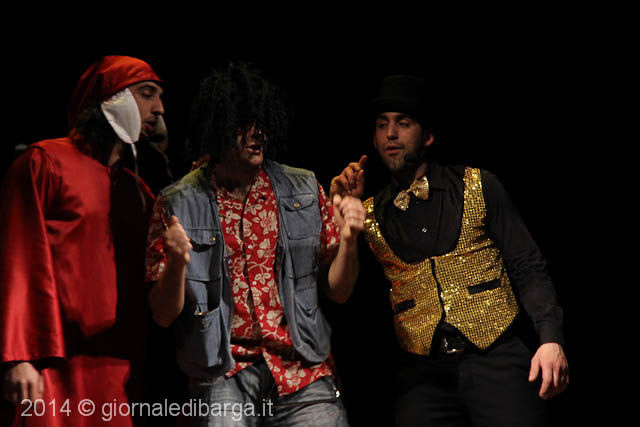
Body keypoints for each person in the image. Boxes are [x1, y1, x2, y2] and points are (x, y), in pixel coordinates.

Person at [330, 75, 569, 427]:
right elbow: (339, 293)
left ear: (427, 136)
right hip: (422, 375)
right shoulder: (367, 213)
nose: (390, 134)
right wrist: (345, 227)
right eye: (382, 125)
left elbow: (528, 265)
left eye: (403, 123)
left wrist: (550, 339)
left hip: (496, 358)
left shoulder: (478, 185)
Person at [145, 62, 364, 426]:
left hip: (301, 369)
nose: (256, 133)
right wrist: (178, 263)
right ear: (217, 126)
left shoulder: (303, 189)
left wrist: (349, 240)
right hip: (223, 372)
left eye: (261, 123)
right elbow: (163, 315)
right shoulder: (178, 203)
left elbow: (338, 293)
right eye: (243, 124)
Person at [0, 55, 165, 426]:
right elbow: (16, 259)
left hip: (115, 366)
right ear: (111, 99)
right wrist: (18, 355)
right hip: (51, 363)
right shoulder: (45, 162)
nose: (159, 108)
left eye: (159, 96)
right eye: (146, 93)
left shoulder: (137, 192)